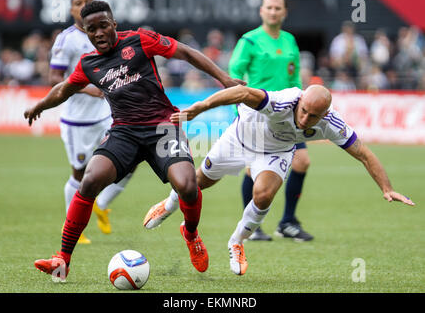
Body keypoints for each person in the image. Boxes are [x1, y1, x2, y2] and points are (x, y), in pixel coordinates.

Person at [25, 0, 242, 280]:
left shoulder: (140, 40)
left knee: (187, 185)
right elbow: (64, 89)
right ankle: (62, 260)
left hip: (163, 125)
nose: (99, 33)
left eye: (104, 26)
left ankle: (190, 233)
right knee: (90, 180)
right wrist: (40, 106)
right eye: (92, 30)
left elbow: (186, 53)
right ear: (86, 32)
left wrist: (224, 79)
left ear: (113, 24)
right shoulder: (89, 64)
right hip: (124, 132)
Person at [143, 84, 415, 275]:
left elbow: (364, 153)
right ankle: (168, 205)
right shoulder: (282, 101)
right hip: (240, 138)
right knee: (199, 181)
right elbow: (242, 92)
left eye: (314, 116)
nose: (306, 118)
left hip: (275, 153)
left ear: (325, 115)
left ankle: (236, 242)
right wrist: (200, 108)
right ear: (301, 101)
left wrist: (386, 187)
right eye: (305, 110)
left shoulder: (331, 124)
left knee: (263, 194)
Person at [49, 0, 132, 244]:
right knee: (80, 174)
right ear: (72, 9)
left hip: (107, 115)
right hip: (78, 121)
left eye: (88, 2)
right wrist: (87, 87)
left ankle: (102, 204)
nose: (83, 6)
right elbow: (54, 79)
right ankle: (74, 226)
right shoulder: (67, 40)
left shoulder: (107, 36)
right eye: (78, 3)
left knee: (130, 160)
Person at [229, 0, 312, 241]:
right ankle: (253, 228)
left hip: (287, 113)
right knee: (252, 171)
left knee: (302, 161)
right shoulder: (249, 41)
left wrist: (301, 106)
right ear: (261, 11)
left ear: (284, 12)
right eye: (269, 7)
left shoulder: (290, 41)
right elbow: (234, 72)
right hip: (257, 113)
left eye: (278, 8)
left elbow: (294, 78)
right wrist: (240, 107)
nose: (273, 11)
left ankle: (287, 222)